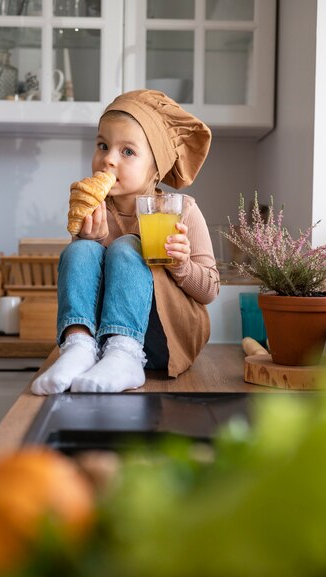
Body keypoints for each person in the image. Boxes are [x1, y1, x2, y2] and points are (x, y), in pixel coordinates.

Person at [31, 89, 220, 395]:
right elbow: (84, 285)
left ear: (155, 166)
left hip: (165, 337)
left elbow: (210, 290)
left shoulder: (181, 211)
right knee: (80, 250)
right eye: (103, 145)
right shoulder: (95, 209)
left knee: (127, 246)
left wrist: (182, 265)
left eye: (127, 152)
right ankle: (77, 348)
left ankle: (126, 355)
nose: (108, 159)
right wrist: (88, 240)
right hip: (99, 344)